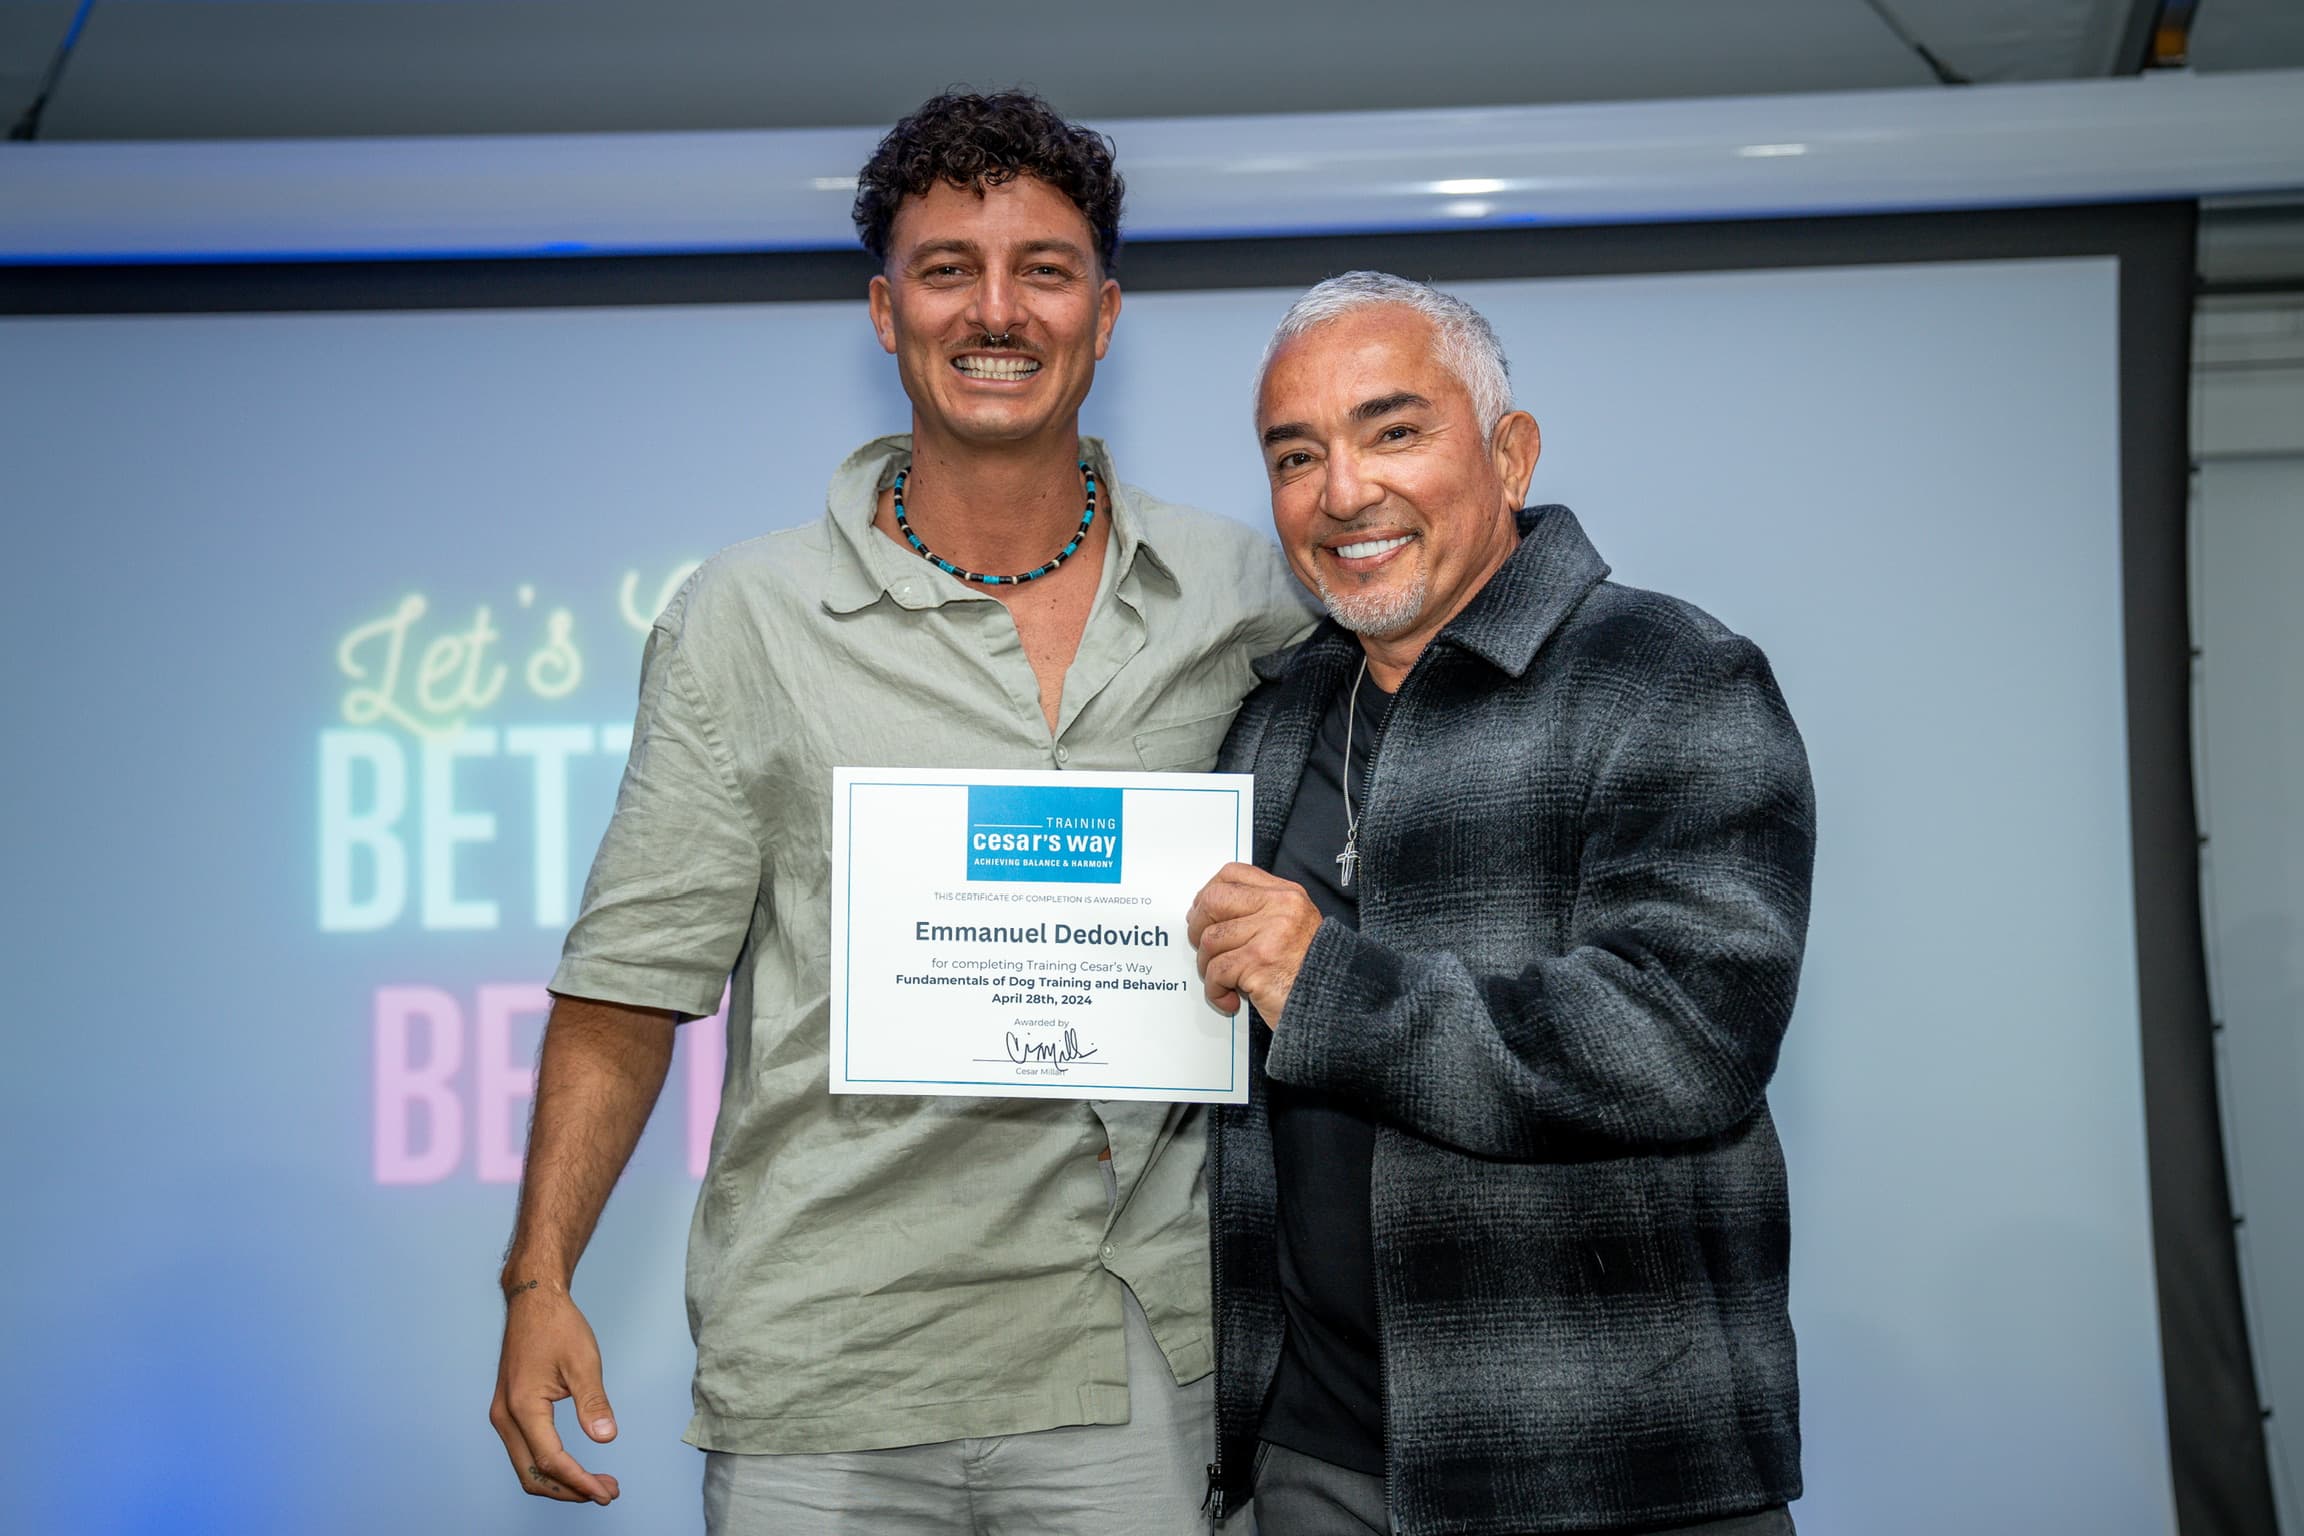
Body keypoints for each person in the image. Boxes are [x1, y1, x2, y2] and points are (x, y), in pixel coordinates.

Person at [485, 89, 1312, 1533]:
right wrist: (538, 1279)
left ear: (1104, 315)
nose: (997, 311)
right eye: (947, 269)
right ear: (885, 312)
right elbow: (627, 985)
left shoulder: (1246, 600)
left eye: (1043, 270)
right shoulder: (746, 618)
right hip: (829, 1364)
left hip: (1131, 1364)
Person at [1187, 271, 1815, 1535]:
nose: (1343, 491)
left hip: (1608, 1466)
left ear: (1510, 454)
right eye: (1296, 455)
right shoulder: (1274, 718)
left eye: (1393, 431)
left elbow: (1686, 1042)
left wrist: (1330, 989)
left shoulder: (1672, 677)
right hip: (1316, 1461)